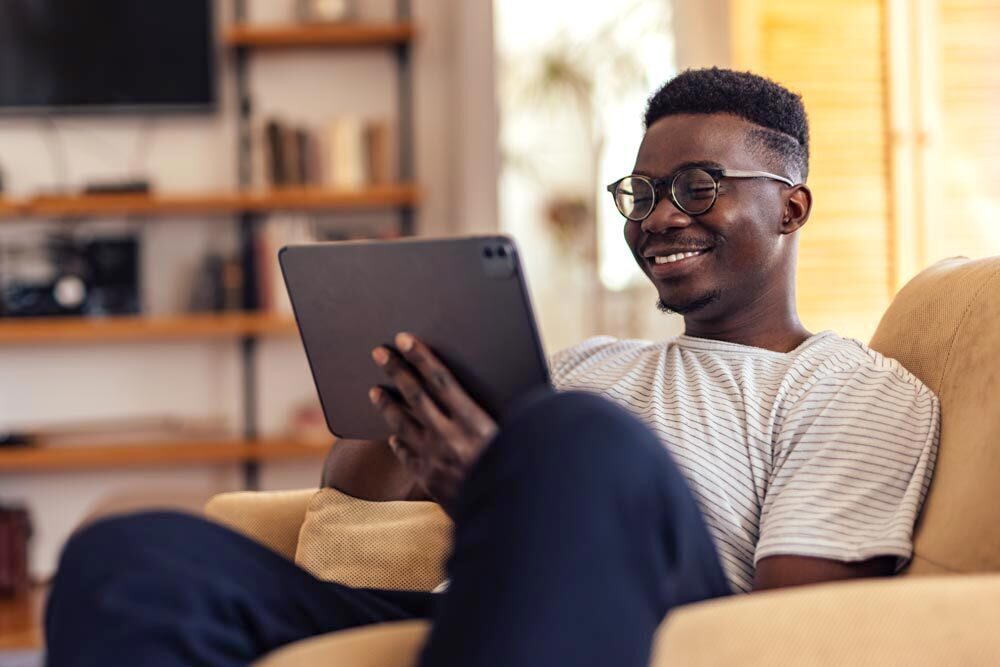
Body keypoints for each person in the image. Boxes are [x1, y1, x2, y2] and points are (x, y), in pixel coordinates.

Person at [45, 68, 939, 667]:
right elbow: (355, 490)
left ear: (790, 208)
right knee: (132, 558)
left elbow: (792, 631)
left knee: (577, 435)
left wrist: (520, 480)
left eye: (699, 187)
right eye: (642, 192)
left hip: (642, 624)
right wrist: (410, 403)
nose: (660, 217)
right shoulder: (588, 361)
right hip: (468, 616)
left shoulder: (852, 386)